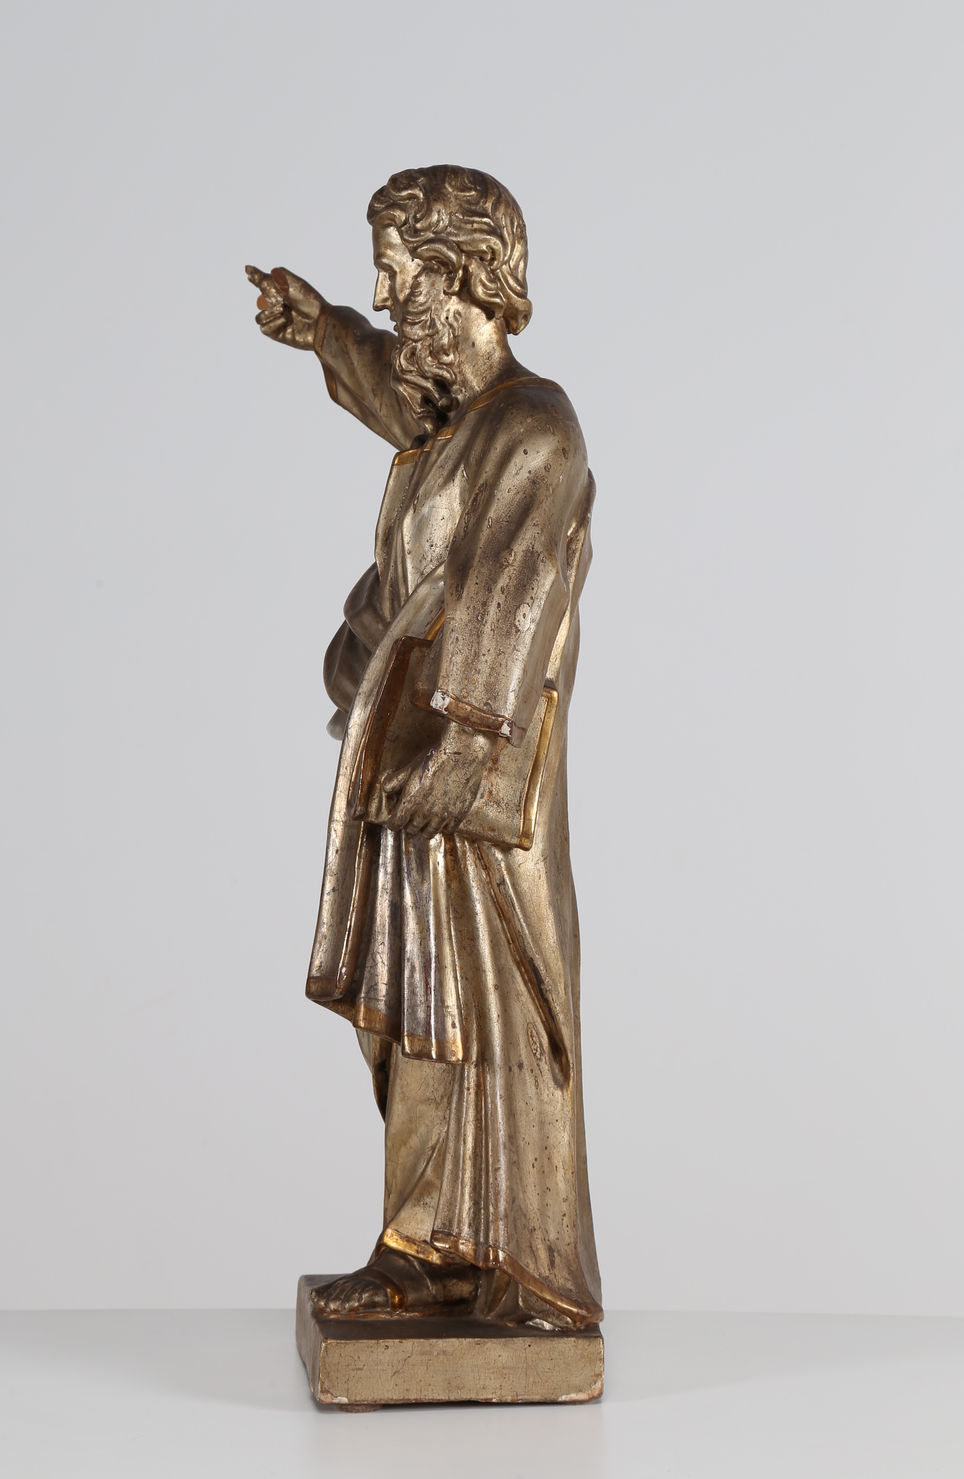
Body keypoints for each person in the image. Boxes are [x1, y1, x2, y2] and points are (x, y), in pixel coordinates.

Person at [247, 165, 601, 1330]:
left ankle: (520, 1271)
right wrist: (321, 331)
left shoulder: (531, 427)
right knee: (416, 1013)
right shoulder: (454, 424)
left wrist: (457, 750)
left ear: (459, 277)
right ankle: (422, 1247)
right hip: (410, 769)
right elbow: (393, 396)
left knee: (491, 1011)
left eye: (398, 276)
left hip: (474, 787)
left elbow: (508, 597)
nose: (386, 297)